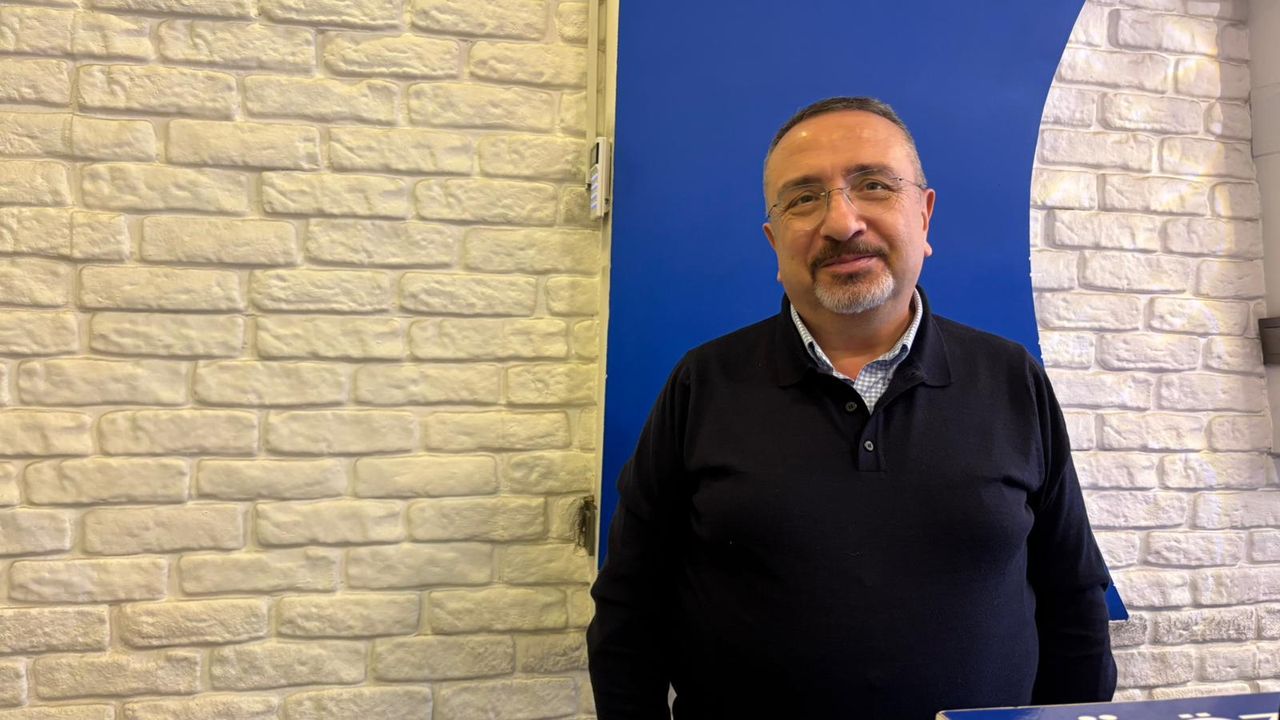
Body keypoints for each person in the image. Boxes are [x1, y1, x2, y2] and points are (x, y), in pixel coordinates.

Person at [586, 97, 1116, 719]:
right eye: (803, 198)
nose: (842, 223)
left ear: (924, 215)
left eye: (873, 186)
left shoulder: (1011, 379)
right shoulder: (702, 385)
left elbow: (1073, 600)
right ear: (774, 241)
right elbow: (630, 610)